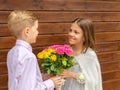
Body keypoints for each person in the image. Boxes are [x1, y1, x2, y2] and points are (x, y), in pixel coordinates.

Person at [7, 10, 62, 90]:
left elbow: (19, 81)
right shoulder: (29, 57)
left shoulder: (12, 52)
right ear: (27, 31)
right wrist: (51, 82)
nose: (38, 32)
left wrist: (41, 77)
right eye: (36, 29)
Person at [61, 18, 103, 90]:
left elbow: (92, 81)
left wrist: (73, 75)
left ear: (85, 37)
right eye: (70, 30)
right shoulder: (66, 52)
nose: (71, 34)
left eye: (76, 32)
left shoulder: (89, 55)